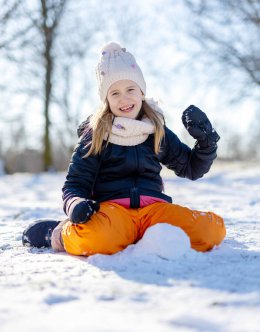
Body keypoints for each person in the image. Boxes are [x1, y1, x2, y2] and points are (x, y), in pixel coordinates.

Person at [22, 42, 226, 255]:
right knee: (97, 240)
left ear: (141, 92)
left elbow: (191, 169)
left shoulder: (155, 130)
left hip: (154, 212)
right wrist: (76, 205)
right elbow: (75, 184)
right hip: (112, 213)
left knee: (211, 232)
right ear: (106, 100)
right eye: (115, 93)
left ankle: (135, 236)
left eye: (130, 89)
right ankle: (57, 232)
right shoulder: (96, 135)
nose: (124, 98)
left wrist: (206, 143)